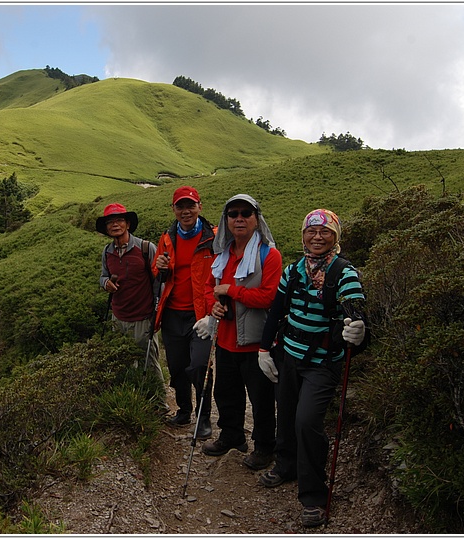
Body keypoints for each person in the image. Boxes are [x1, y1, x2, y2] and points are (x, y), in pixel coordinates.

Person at [256, 208, 366, 528]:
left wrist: (358, 331)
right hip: (289, 355)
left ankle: (314, 496)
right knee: (287, 413)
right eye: (311, 231)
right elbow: (276, 312)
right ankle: (286, 465)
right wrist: (265, 350)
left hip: (323, 362)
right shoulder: (293, 271)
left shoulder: (344, 274)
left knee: (306, 421)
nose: (317, 237)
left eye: (325, 232)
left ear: (336, 237)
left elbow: (356, 315)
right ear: (303, 235)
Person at [198, 194, 282, 472]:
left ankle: (264, 446)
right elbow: (211, 287)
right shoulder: (222, 255)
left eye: (246, 213)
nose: (239, 218)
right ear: (226, 221)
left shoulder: (269, 255)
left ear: (257, 219)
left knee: (260, 400)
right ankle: (232, 435)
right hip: (225, 339)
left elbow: (269, 297)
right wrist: (214, 306)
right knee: (226, 392)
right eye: (233, 214)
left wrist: (231, 291)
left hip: (255, 342)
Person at [152, 186, 216, 439]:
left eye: (191, 205)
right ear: (174, 209)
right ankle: (184, 409)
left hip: (201, 314)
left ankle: (203, 417)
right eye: (181, 206)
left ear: (200, 206)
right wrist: (159, 267)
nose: (186, 211)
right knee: (177, 367)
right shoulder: (166, 238)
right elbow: (159, 275)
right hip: (172, 314)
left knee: (200, 365)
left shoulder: (214, 237)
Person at [98, 203, 166, 389]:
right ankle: (132, 397)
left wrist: (157, 312)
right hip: (118, 317)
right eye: (110, 222)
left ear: (128, 224)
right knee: (123, 362)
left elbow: (159, 281)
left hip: (143, 317)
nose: (115, 225)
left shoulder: (145, 248)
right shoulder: (107, 251)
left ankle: (159, 403)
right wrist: (106, 284)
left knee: (149, 362)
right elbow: (103, 276)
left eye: (119, 220)